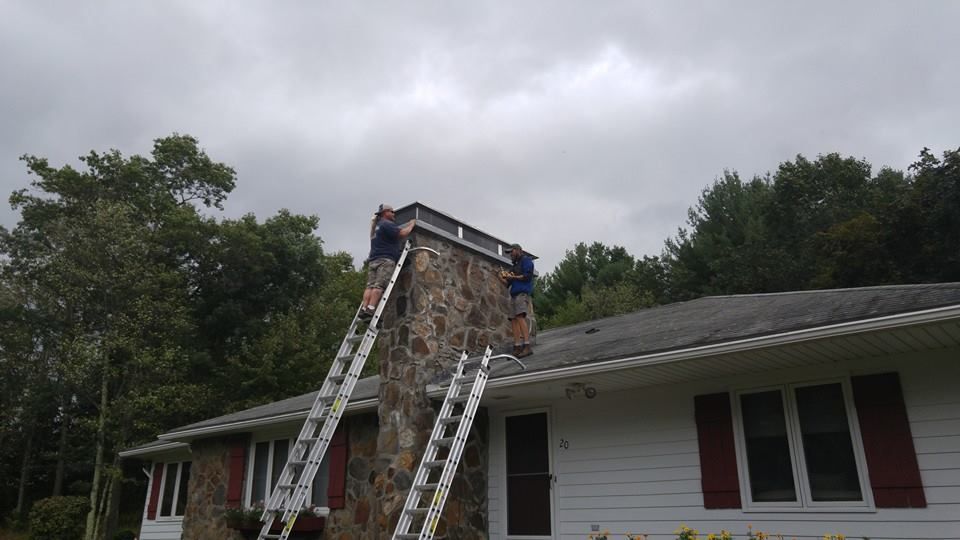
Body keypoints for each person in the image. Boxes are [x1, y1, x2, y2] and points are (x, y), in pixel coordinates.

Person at [360, 204, 415, 319]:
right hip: (385, 260)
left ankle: (364, 308)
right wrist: (411, 224)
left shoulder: (376, 227)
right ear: (385, 213)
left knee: (370, 286)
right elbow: (402, 234)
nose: (394, 214)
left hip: (373, 260)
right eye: (392, 211)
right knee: (379, 286)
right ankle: (371, 309)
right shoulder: (387, 224)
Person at [499, 243, 535, 357]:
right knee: (513, 319)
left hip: (522, 293)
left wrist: (512, 277)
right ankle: (517, 346)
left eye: (512, 251)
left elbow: (527, 276)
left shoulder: (526, 261)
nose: (511, 254)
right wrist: (500, 277)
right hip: (514, 294)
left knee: (519, 317)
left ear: (519, 250)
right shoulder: (514, 267)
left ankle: (527, 345)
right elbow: (507, 284)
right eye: (510, 253)